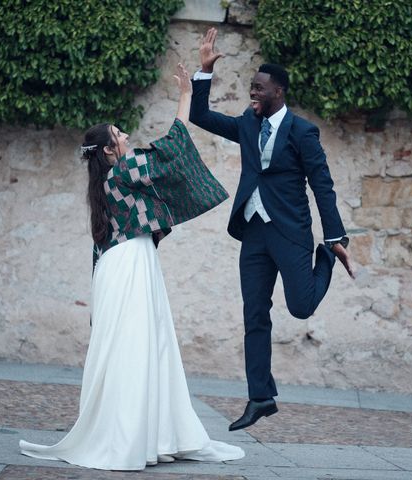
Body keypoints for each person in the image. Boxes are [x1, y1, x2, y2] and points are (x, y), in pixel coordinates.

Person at [19, 63, 244, 470]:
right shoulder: (123, 171)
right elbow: (169, 152)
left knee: (136, 347)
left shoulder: (104, 185)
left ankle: (147, 437)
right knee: (138, 347)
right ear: (109, 150)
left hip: (122, 265)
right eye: (120, 136)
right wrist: (185, 97)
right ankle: (133, 439)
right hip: (129, 268)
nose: (127, 138)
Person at [189, 28, 355, 431]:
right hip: (253, 232)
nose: (253, 93)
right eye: (251, 87)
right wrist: (204, 72)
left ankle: (324, 259)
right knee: (254, 315)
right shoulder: (248, 123)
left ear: (278, 91)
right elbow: (200, 117)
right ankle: (260, 397)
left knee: (301, 307)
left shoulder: (303, 132)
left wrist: (334, 238)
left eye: (259, 88)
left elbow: (322, 185)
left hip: (291, 232)